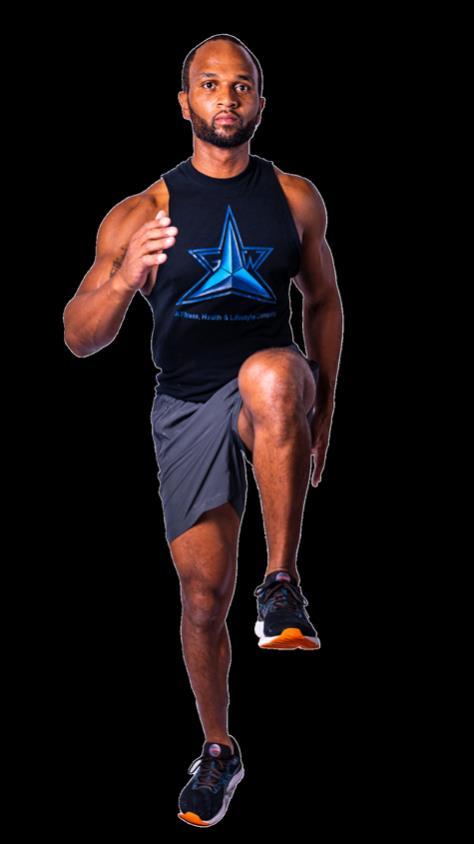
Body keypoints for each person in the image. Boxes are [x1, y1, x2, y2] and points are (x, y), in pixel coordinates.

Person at [63, 33, 343, 828]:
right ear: (185, 103)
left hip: (266, 388)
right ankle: (219, 749)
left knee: (275, 374)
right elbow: (78, 335)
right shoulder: (142, 211)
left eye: (242, 85)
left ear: (260, 103)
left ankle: (282, 584)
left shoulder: (294, 198)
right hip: (185, 401)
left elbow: (323, 301)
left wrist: (324, 407)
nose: (227, 97)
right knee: (200, 597)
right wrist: (125, 279)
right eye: (211, 85)